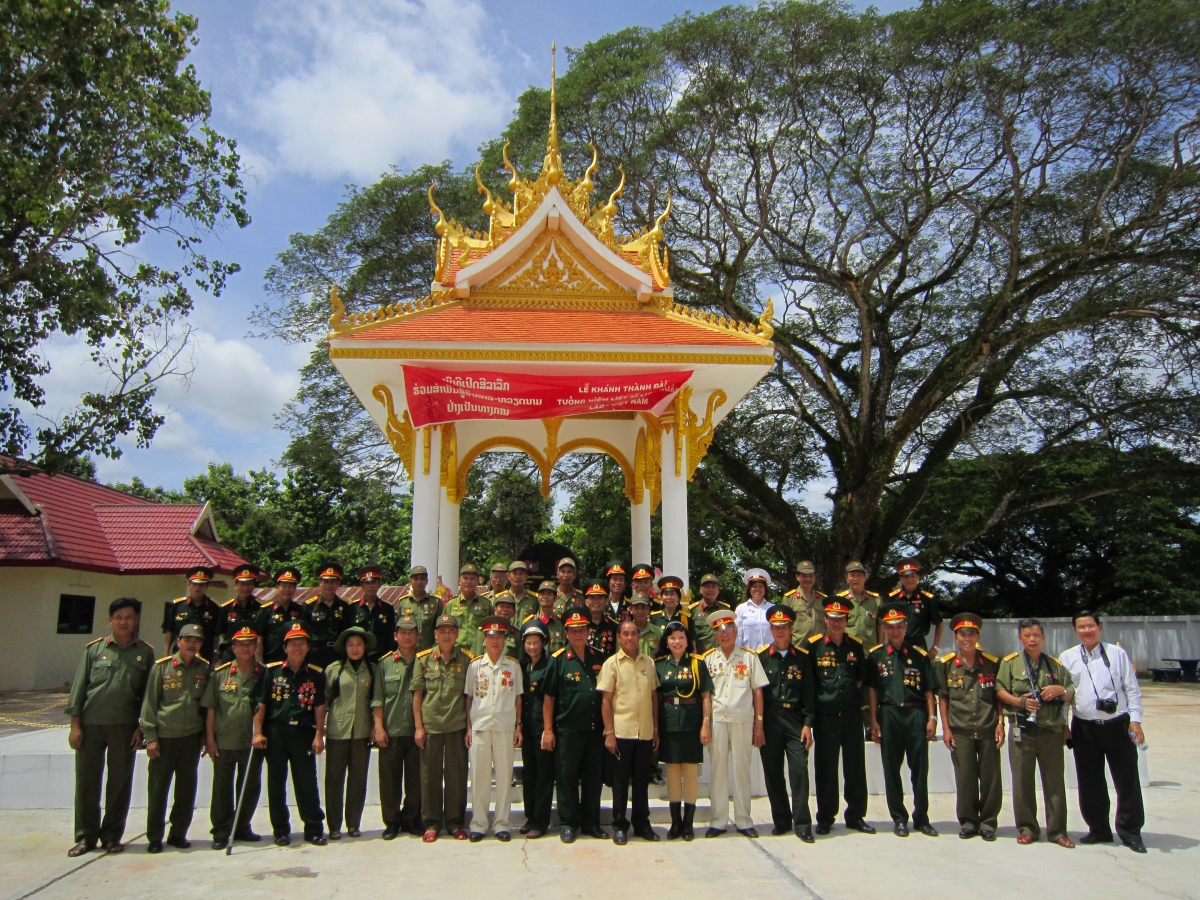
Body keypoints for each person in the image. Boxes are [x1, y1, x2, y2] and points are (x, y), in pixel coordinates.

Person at [66, 597, 153, 857]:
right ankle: (85, 837)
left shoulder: (144, 652)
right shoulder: (94, 650)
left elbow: (147, 695)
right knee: (87, 783)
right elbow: (79, 689)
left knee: (119, 784)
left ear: (136, 620)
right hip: (92, 725)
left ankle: (112, 836)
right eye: (118, 617)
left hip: (124, 727)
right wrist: (75, 725)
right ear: (110, 621)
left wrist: (142, 728)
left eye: (128, 617)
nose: (123, 622)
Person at [1060, 610, 1146, 853]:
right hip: (1084, 726)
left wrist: (1135, 720)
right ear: (1075, 630)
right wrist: (1063, 725)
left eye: (1091, 626)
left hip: (1117, 724)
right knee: (1090, 781)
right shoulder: (1068, 657)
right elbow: (1065, 695)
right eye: (1081, 627)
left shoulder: (1117, 654)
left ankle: (1130, 832)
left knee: (1127, 780)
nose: (1087, 631)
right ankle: (1098, 829)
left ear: (1100, 627)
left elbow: (1131, 689)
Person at [996, 618, 1076, 848]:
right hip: (1023, 731)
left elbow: (1071, 695)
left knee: (1054, 783)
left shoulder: (1055, 665)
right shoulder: (1010, 663)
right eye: (1027, 635)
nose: (1032, 639)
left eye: (1036, 635)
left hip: (1051, 730)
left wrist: (1061, 690)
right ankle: (1027, 828)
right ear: (1020, 638)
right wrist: (1020, 702)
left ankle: (1058, 831)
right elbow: (1000, 690)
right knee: (1022, 782)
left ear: (1043, 637)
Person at [252, 622, 328, 846]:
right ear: (284, 647)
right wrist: (257, 733)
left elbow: (320, 706)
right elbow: (260, 703)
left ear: (307, 647)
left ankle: (313, 828)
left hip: (304, 732)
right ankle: (281, 830)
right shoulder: (272, 672)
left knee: (306, 782)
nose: (297, 648)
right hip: (276, 732)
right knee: (276, 782)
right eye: (293, 643)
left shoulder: (315, 674)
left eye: (302, 643)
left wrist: (319, 735)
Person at [867, 603, 938, 837]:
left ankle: (922, 817)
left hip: (916, 713)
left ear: (906, 627)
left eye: (899, 626)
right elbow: (873, 691)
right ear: (885, 628)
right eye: (891, 627)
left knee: (920, 768)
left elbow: (929, 689)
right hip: (889, 714)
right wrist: (874, 721)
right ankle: (899, 817)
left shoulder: (919, 656)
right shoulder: (876, 656)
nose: (895, 631)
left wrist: (932, 718)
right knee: (891, 768)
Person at [807, 598, 875, 835]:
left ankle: (856, 815)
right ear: (825, 620)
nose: (836, 624)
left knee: (855, 766)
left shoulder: (856, 647)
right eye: (832, 619)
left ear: (847, 621)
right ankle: (825, 816)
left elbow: (860, 680)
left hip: (851, 715)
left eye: (841, 619)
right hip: (826, 717)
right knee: (826, 768)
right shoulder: (814, 646)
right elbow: (811, 683)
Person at [141, 622, 210, 852]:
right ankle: (154, 837)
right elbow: (150, 704)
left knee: (186, 789)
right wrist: (150, 737)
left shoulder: (205, 669)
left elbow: (206, 706)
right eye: (187, 639)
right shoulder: (161, 668)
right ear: (178, 641)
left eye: (197, 640)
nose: (192, 644)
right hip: (165, 737)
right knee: (158, 789)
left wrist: (204, 737)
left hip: (191, 737)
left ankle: (178, 833)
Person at [542, 609, 608, 843]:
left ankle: (591, 823)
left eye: (582, 630)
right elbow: (549, 698)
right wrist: (548, 730)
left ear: (589, 632)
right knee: (567, 778)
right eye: (573, 630)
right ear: (566, 633)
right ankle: (568, 823)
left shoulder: (599, 658)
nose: (578, 634)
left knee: (593, 779)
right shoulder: (558, 660)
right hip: (567, 730)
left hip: (594, 730)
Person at [937, 612, 1004, 841]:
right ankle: (967, 821)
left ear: (978, 635)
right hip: (960, 729)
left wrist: (1000, 723)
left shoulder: (992, 664)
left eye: (972, 633)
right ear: (955, 637)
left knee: (990, 778)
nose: (967, 638)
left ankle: (987, 822)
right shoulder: (947, 665)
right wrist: (946, 729)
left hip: (987, 727)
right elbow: (943, 698)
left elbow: (999, 697)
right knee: (965, 778)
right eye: (962, 634)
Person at [703, 608, 769, 838]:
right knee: (718, 770)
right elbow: (706, 695)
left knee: (742, 769)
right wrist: (705, 723)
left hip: (743, 719)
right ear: (715, 634)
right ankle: (718, 820)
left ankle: (743, 819)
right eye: (719, 630)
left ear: (736, 630)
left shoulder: (750, 657)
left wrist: (759, 724)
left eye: (728, 629)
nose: (724, 634)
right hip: (718, 720)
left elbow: (758, 692)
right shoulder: (709, 659)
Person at [598, 619, 661, 844]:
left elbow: (654, 696)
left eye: (634, 633)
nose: (630, 638)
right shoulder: (611, 664)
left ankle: (642, 824)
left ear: (639, 637)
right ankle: (619, 825)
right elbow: (606, 701)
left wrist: (655, 728)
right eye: (625, 634)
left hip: (644, 732)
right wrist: (610, 733)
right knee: (620, 783)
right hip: (622, 732)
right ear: (619, 637)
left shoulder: (649, 663)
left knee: (642, 782)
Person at [202, 625, 265, 850]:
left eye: (250, 643)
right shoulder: (221, 674)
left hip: (251, 741)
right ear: (233, 648)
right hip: (224, 740)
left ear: (256, 646)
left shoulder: (263, 674)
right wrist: (209, 739)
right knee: (221, 788)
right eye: (241, 644)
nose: (246, 648)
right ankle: (221, 830)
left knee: (249, 786)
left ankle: (241, 825)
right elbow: (211, 708)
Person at [758, 605, 816, 842]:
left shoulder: (802, 658)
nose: (780, 631)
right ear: (770, 629)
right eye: (776, 627)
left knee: (799, 771)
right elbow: (757, 694)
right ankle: (781, 820)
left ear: (792, 629)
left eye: (784, 627)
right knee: (773, 773)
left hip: (794, 721)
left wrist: (808, 724)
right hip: (770, 720)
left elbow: (809, 693)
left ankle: (802, 823)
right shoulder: (760, 657)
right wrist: (758, 725)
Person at [413, 613, 472, 842]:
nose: (446, 635)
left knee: (457, 775)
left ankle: (455, 822)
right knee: (430, 776)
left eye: (451, 631)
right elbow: (417, 695)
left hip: (456, 725)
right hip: (431, 726)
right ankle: (432, 823)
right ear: (435, 634)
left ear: (457, 635)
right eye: (442, 631)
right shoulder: (424, 659)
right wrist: (419, 727)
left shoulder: (466, 660)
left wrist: (469, 728)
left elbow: (470, 697)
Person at [465, 616, 524, 841]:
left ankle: (502, 823)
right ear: (484, 639)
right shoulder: (475, 666)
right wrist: (468, 728)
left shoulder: (513, 665)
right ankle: (479, 823)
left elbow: (518, 698)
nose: (495, 641)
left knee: (503, 777)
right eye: (491, 637)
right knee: (479, 778)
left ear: (505, 640)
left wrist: (519, 727)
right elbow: (469, 699)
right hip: (480, 726)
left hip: (504, 727)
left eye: (499, 636)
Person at [654, 620, 712, 841]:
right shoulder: (658, 664)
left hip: (691, 722)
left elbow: (706, 696)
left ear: (688, 641)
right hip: (668, 721)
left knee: (689, 772)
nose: (676, 641)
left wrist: (706, 723)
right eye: (672, 638)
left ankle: (688, 823)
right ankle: (675, 822)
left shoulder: (698, 664)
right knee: (672, 772)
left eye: (681, 637)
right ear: (666, 641)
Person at [372, 615, 423, 839]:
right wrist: (379, 727)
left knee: (415, 780)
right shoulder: (385, 664)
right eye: (402, 632)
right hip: (391, 729)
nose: (407, 636)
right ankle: (391, 821)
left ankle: (411, 819)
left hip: (416, 731)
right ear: (395, 636)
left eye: (411, 632)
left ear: (418, 636)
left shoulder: (424, 662)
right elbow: (378, 699)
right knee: (389, 780)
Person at [323, 626, 376, 839]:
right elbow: (324, 700)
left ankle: (354, 823)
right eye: (350, 645)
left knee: (358, 779)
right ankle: (334, 825)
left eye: (359, 644)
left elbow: (375, 701)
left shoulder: (372, 670)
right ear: (344, 648)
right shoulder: (333, 670)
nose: (355, 649)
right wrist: (321, 729)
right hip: (338, 730)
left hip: (362, 731)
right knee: (334, 779)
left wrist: (374, 725)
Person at [519, 619, 555, 838]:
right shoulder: (521, 667)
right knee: (529, 774)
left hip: (543, 729)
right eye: (528, 643)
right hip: (527, 728)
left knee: (543, 775)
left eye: (536, 642)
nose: (532, 647)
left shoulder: (550, 665)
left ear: (543, 643)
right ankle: (529, 816)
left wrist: (548, 729)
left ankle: (540, 821)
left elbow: (549, 698)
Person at [162, 566, 222, 659]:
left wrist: (215, 652)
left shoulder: (214, 608)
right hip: (179, 655)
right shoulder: (177, 606)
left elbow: (216, 635)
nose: (198, 587)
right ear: (189, 585)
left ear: (207, 586)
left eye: (201, 584)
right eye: (195, 584)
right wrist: (166, 653)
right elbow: (170, 630)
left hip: (204, 656)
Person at [255, 567, 311, 662]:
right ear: (277, 587)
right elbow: (259, 638)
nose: (287, 590)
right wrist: (259, 662)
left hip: (294, 663)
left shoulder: (301, 610)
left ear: (295, 589)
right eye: (284, 586)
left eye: (290, 587)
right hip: (271, 662)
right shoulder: (266, 610)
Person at [888, 560, 944, 656]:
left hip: (918, 646)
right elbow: (885, 622)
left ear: (918, 577)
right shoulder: (893, 598)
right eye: (905, 576)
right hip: (896, 645)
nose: (909, 580)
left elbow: (939, 623)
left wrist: (935, 647)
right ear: (900, 578)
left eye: (912, 576)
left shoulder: (927, 599)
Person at [306, 564, 352, 669]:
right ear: (320, 582)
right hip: (315, 654)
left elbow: (347, 631)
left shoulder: (345, 606)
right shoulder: (309, 606)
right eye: (326, 581)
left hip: (337, 653)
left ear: (338, 583)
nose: (329, 585)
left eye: (333, 581)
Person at [444, 563, 492, 654]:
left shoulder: (486, 605)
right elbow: (442, 629)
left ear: (478, 581)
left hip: (478, 653)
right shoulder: (451, 604)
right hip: (456, 653)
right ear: (459, 581)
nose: (468, 582)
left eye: (472, 578)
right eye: (465, 578)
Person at [219, 566, 264, 662]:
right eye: (242, 584)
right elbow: (223, 633)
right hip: (230, 655)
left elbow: (261, 634)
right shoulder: (226, 608)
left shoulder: (261, 608)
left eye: (249, 584)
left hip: (252, 656)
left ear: (253, 585)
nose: (245, 588)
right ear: (236, 585)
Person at [352, 565, 396, 660]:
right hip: (359, 658)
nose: (370, 586)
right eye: (367, 583)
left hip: (381, 657)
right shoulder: (353, 608)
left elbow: (390, 636)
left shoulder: (387, 608)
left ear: (380, 584)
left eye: (374, 582)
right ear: (362, 585)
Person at [781, 560, 825, 644]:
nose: (808, 579)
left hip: (818, 649)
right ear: (797, 577)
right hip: (798, 648)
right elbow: (784, 626)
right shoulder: (789, 598)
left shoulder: (822, 599)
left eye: (810, 576)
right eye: (804, 576)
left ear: (814, 577)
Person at [839, 561, 881, 647]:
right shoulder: (840, 600)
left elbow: (881, 627)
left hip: (870, 653)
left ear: (865, 578)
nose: (856, 579)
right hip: (847, 651)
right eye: (852, 575)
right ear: (847, 579)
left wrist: (881, 651)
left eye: (859, 575)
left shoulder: (876, 600)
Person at [397, 565, 439, 651]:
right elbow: (398, 628)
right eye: (415, 579)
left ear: (427, 581)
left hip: (429, 652)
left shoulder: (436, 602)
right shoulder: (403, 602)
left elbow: (439, 628)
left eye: (422, 579)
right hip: (408, 652)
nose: (419, 582)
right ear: (410, 581)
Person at [524, 580, 567, 654]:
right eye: (542, 594)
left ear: (555, 597)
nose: (545, 597)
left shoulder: (561, 624)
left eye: (549, 594)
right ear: (538, 596)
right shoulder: (529, 622)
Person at [735, 568, 773, 651]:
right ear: (749, 589)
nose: (757, 589)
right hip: (747, 655)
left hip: (769, 655)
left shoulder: (773, 608)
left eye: (761, 587)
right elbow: (737, 635)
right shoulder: (741, 609)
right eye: (754, 586)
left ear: (765, 590)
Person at [651, 575, 694, 646]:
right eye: (665, 594)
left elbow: (692, 643)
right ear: (661, 597)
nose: (668, 597)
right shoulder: (654, 617)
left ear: (678, 597)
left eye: (672, 594)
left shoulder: (685, 618)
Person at [690, 573, 728, 653]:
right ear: (701, 590)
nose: (710, 590)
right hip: (702, 658)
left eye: (713, 587)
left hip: (722, 657)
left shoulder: (725, 609)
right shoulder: (692, 610)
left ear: (718, 590)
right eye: (707, 587)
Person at [582, 580, 619, 659]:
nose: (596, 601)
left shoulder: (614, 626)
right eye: (592, 597)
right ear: (586, 602)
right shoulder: (581, 625)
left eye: (600, 597)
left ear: (606, 602)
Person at [629, 594, 663, 659]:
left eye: (643, 608)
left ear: (648, 609)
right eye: (636, 608)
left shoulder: (658, 632)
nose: (640, 611)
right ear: (631, 609)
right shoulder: (625, 632)